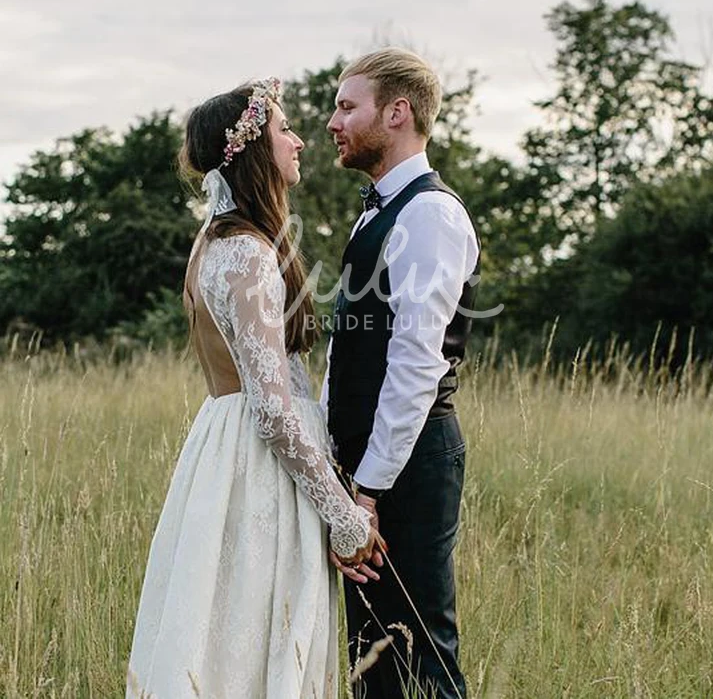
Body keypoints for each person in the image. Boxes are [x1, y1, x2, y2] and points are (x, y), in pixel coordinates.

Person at [127, 78, 376, 699]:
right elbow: (274, 409)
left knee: (218, 637)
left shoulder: (213, 242)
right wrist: (344, 518)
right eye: (284, 130)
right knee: (254, 641)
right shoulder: (247, 252)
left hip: (220, 448)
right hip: (257, 467)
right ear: (255, 152)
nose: (298, 141)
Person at [323, 48, 480, 699]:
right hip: (368, 464)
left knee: (420, 654)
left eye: (345, 105)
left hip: (408, 467)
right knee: (374, 659)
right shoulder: (379, 209)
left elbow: (417, 363)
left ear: (397, 112)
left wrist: (367, 491)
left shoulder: (429, 214)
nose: (332, 121)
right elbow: (351, 350)